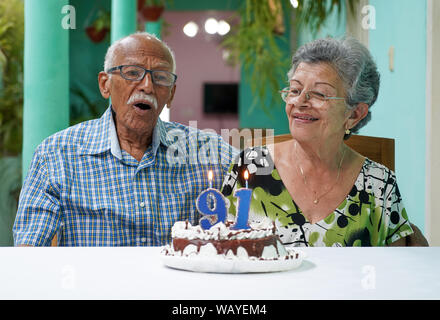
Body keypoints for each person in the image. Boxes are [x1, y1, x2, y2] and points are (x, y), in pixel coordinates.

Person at [14, 32, 237, 246]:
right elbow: (29, 251)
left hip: (180, 284)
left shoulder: (207, 150)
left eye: (160, 77)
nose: (147, 86)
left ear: (171, 94)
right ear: (105, 84)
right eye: (132, 73)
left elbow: (256, 174)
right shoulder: (56, 155)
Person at [222, 37, 426, 247]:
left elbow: (398, 271)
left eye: (319, 94)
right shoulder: (250, 168)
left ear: (355, 113)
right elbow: (224, 255)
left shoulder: (379, 184)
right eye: (294, 90)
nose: (299, 102)